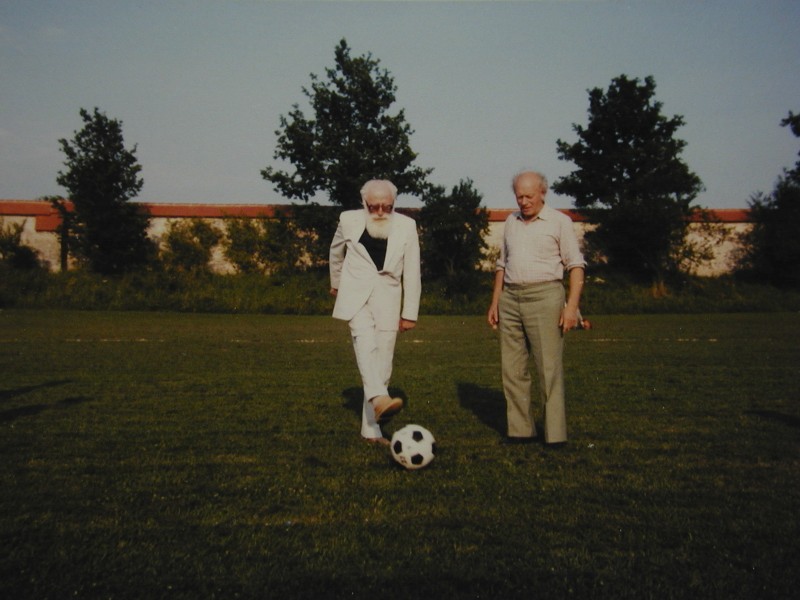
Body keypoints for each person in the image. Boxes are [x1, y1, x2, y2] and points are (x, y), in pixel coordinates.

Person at [487, 171, 586, 446]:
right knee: (513, 369)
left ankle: (555, 436)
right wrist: (496, 301)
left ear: (543, 193)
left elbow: (576, 266)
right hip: (511, 299)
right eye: (519, 196)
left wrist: (571, 308)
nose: (524, 201)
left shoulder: (559, 222)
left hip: (546, 297)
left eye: (529, 195)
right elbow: (501, 264)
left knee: (548, 369)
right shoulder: (510, 221)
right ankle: (520, 431)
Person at [329, 179, 422, 446]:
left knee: (384, 363)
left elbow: (413, 271)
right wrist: (336, 283)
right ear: (364, 203)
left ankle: (371, 429)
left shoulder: (407, 226)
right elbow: (335, 253)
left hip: (389, 299)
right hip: (355, 295)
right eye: (374, 206)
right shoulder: (347, 220)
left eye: (387, 207)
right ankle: (380, 398)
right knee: (364, 343)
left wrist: (410, 312)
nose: (380, 212)